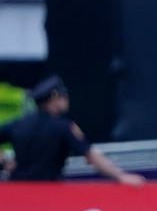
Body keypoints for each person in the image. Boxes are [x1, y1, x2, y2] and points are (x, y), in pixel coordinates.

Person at [0, 75, 145, 185]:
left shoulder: (19, 124)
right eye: (64, 96)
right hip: (48, 192)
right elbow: (91, 156)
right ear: (54, 98)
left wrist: (5, 162)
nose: (67, 100)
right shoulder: (63, 127)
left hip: (18, 191)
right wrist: (120, 176)